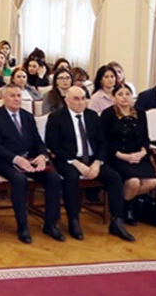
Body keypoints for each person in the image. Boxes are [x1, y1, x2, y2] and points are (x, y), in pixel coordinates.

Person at [45, 86, 133, 241]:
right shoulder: (56, 117)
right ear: (67, 100)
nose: (80, 103)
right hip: (69, 160)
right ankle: (74, 220)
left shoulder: (92, 116)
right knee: (71, 178)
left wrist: (98, 163)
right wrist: (77, 164)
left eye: (83, 99)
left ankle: (117, 221)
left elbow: (102, 142)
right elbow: (54, 145)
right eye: (76, 99)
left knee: (114, 178)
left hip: (92, 159)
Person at [0, 84, 64, 244]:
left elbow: (38, 141)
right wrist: (16, 159)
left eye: (19, 96)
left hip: (30, 159)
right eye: (12, 96)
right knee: (19, 180)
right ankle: (22, 226)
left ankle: (50, 224)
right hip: (6, 161)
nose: (16, 99)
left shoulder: (28, 116)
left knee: (53, 178)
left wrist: (42, 156)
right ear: (4, 99)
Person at [99, 83, 156, 225]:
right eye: (120, 94)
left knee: (153, 181)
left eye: (127, 94)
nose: (124, 97)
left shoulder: (140, 113)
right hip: (116, 156)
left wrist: (142, 152)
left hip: (138, 156)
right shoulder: (108, 114)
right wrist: (123, 156)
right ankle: (128, 209)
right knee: (133, 182)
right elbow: (103, 141)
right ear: (113, 97)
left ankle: (121, 200)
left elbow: (145, 138)